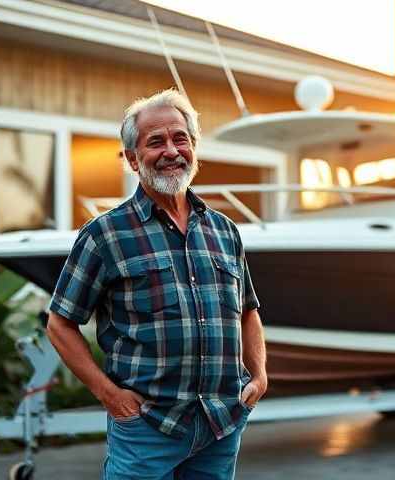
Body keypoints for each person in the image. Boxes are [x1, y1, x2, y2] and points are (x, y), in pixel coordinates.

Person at [46, 89, 267, 480]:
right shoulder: (105, 235)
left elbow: (248, 311)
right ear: (133, 159)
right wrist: (108, 394)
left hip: (220, 425)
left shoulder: (225, 231)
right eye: (155, 142)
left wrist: (260, 375)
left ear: (194, 148)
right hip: (146, 429)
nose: (171, 150)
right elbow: (60, 324)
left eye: (180, 138)